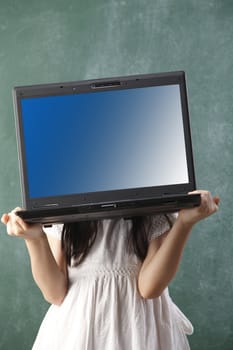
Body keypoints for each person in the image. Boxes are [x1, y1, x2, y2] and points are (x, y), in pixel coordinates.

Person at [1, 190, 219, 349]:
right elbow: (55, 293)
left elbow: (149, 288)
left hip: (140, 329)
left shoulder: (154, 214)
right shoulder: (62, 215)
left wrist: (184, 224)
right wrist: (34, 239)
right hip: (78, 330)